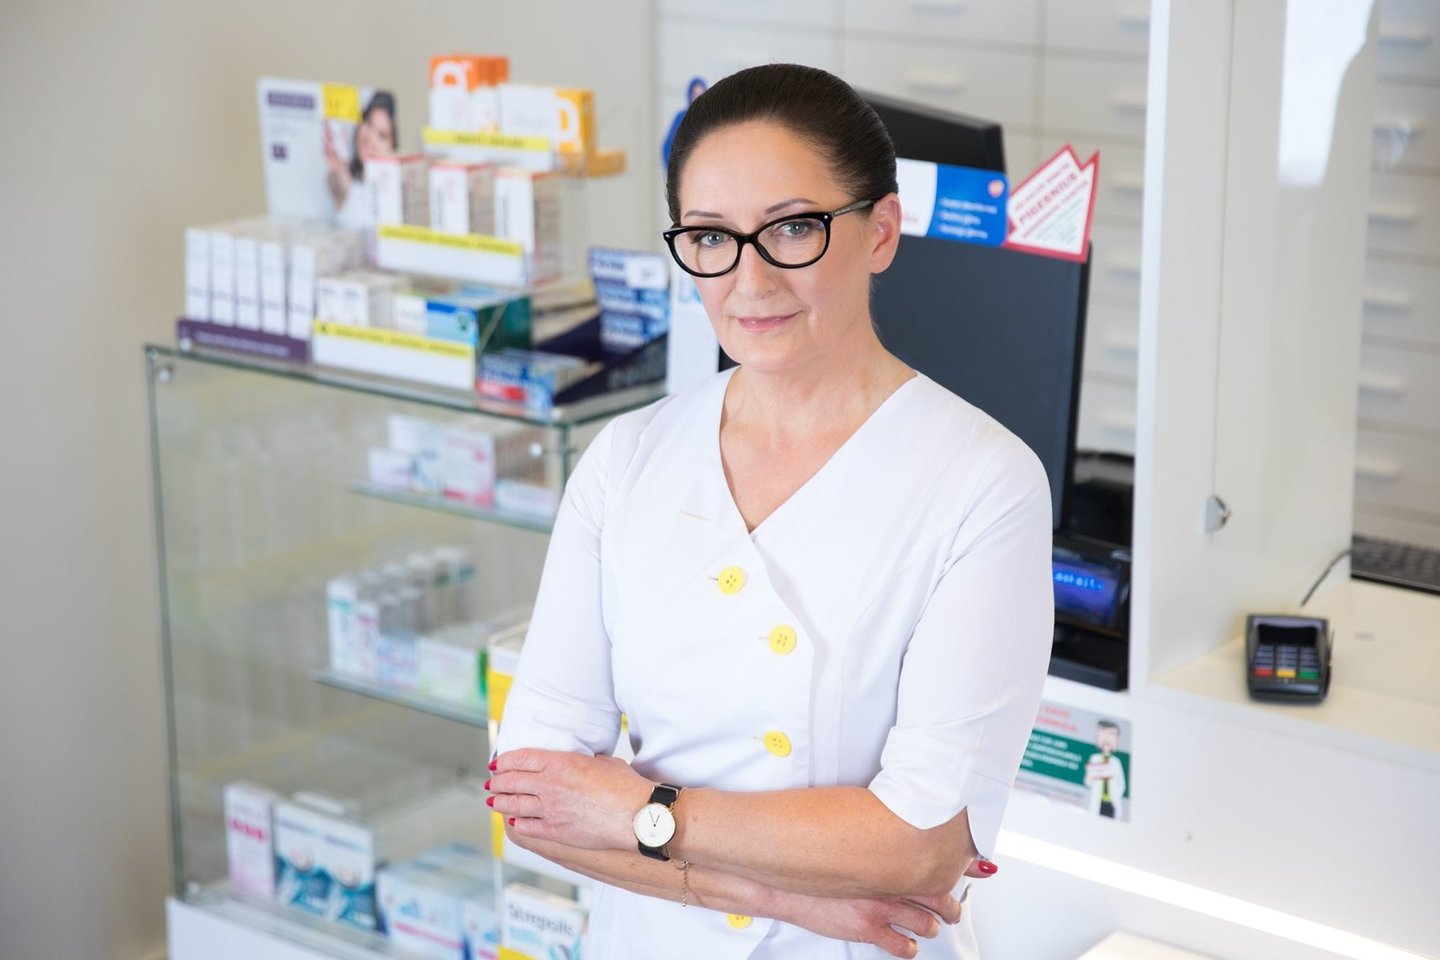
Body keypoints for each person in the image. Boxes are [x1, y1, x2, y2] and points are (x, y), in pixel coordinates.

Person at [489, 63, 1053, 959]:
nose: (748, 280)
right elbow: (529, 801)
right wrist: (782, 896)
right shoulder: (627, 460)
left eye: (792, 228)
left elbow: (922, 843)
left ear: (881, 231)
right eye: (711, 237)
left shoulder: (983, 482)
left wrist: (633, 809)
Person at [325, 90, 397, 228]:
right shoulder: (349, 186)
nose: (371, 138)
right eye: (368, 123)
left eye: (382, 135)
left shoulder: (394, 199)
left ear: (393, 147)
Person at [1084, 721, 1126, 820]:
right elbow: (1088, 782)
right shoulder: (1094, 758)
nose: (1106, 743)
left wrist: (1115, 794)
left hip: (1111, 802)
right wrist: (1090, 778)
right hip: (1098, 801)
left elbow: (1122, 784)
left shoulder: (1116, 762)